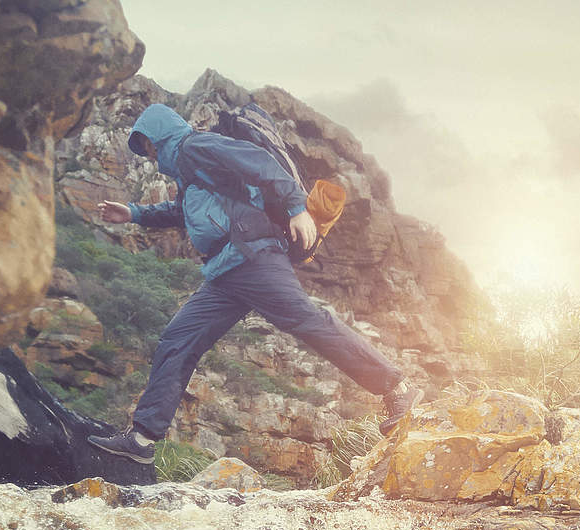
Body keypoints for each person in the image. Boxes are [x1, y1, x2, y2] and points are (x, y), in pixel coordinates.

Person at [85, 103, 422, 464]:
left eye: (147, 145)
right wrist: (133, 213)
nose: (149, 155)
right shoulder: (187, 171)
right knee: (178, 338)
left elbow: (258, 161)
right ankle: (142, 439)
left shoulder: (194, 147)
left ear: (157, 134)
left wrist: (296, 206)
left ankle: (397, 387)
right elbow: (179, 211)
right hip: (224, 273)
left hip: (253, 257)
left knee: (308, 321)